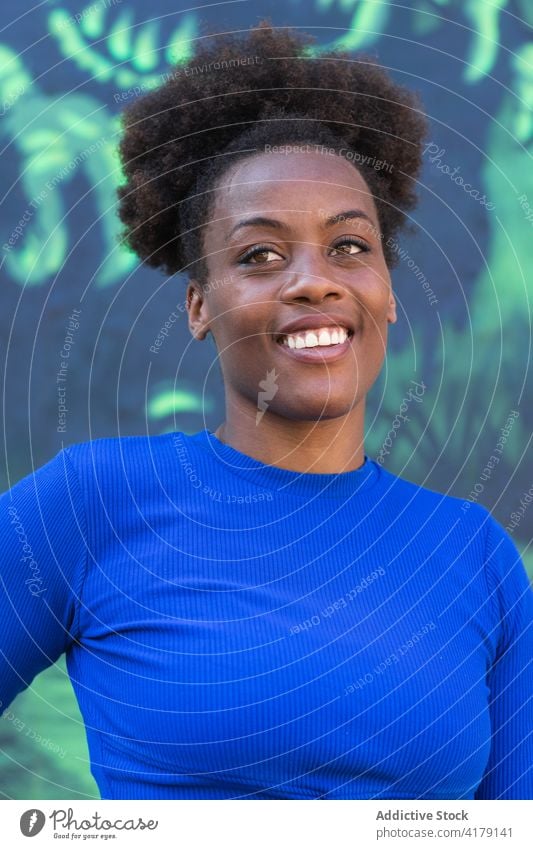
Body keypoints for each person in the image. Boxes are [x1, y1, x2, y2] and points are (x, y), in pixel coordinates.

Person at [1, 20, 532, 801]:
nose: (314, 282)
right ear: (198, 306)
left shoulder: (476, 557)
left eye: (350, 246)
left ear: (385, 294)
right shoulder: (89, 502)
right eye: (259, 255)